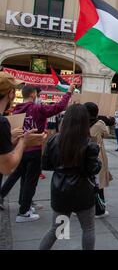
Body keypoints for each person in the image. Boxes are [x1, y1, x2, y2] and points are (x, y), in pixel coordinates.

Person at [0, 84, 74, 222]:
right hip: (33, 149)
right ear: (33, 94)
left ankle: (25, 206)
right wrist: (68, 92)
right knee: (30, 182)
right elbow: (59, 107)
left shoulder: (16, 110)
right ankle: (23, 212)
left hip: (20, 149)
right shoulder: (37, 108)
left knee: (22, 179)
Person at [39, 104, 101, 250]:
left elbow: (46, 165)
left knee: (55, 229)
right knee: (88, 228)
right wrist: (96, 160)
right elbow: (93, 169)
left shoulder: (53, 140)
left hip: (60, 189)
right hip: (83, 191)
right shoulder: (89, 144)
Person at [0, 73, 39, 210]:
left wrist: (9, 138)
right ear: (10, 93)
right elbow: (7, 167)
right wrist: (23, 141)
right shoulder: (2, 122)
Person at [84, 102, 113, 219]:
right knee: (98, 183)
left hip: (83, 154)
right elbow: (107, 134)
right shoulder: (99, 123)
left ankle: (83, 208)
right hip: (97, 154)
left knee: (85, 182)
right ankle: (99, 210)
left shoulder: (80, 122)